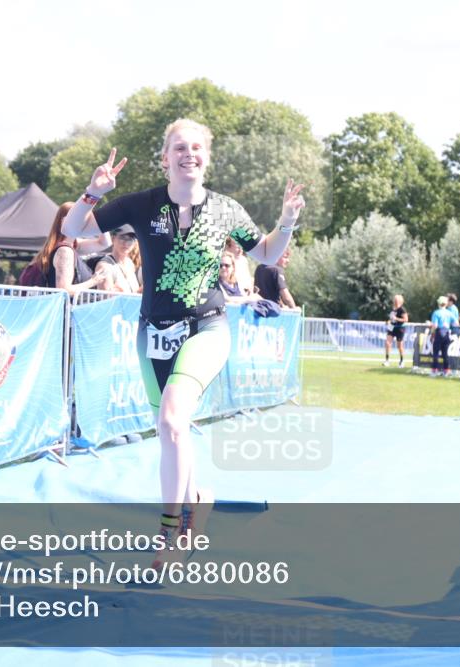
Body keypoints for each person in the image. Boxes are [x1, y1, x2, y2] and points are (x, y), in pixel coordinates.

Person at [60, 118, 304, 569]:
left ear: (206, 157)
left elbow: (266, 254)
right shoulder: (141, 203)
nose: (188, 154)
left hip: (207, 327)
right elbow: (75, 228)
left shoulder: (227, 209)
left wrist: (286, 223)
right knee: (170, 432)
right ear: (165, 158)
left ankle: (170, 538)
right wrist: (94, 189)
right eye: (178, 148)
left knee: (173, 421)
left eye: (196, 147)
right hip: (152, 331)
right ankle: (197, 499)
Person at [28, 202, 109, 296]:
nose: (87, 223)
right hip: (64, 309)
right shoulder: (65, 251)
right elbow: (64, 290)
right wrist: (93, 281)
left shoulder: (73, 245)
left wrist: (95, 216)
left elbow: (105, 243)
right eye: (82, 219)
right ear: (64, 221)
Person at [96, 225, 142, 293]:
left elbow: (133, 295)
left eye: (131, 239)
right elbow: (105, 301)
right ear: (113, 238)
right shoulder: (104, 267)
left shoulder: (130, 264)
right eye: (122, 238)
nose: (126, 243)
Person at [429, 295, 458, 377]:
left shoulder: (436, 313)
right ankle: (446, 371)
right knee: (445, 354)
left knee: (436, 353)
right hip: (447, 333)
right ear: (445, 304)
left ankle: (434, 371)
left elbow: (435, 325)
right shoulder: (449, 313)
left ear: (439, 303)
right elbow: (456, 323)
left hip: (439, 333)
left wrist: (432, 332)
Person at [383, 294, 409, 368]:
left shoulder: (402, 309)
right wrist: (388, 321)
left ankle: (402, 361)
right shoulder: (392, 309)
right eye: (395, 300)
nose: (395, 301)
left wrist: (396, 318)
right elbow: (391, 318)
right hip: (392, 328)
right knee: (387, 343)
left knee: (399, 346)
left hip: (400, 328)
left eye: (397, 300)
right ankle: (387, 360)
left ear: (401, 301)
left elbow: (406, 320)